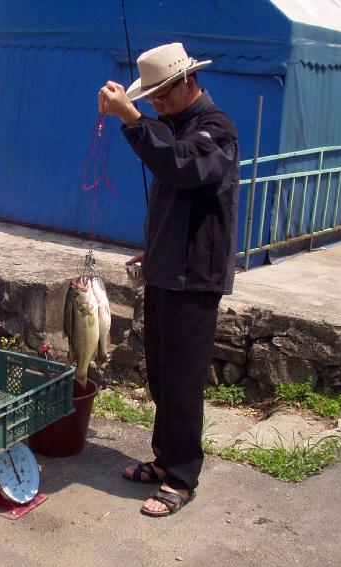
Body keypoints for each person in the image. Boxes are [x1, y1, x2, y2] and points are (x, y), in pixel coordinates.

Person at [98, 42, 239, 517]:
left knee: (181, 381)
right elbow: (175, 198)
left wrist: (133, 119)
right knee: (160, 373)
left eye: (161, 96)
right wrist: (152, 247)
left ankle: (181, 477)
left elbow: (182, 167)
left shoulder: (216, 129)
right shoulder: (179, 127)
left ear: (188, 83)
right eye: (150, 98)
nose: (155, 104)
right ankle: (165, 460)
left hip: (193, 278)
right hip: (165, 269)